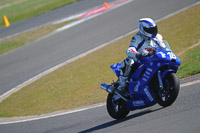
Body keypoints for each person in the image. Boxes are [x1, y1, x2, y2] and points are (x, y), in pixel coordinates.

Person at [117, 18, 167, 91]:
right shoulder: (137, 37)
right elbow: (130, 49)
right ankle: (123, 85)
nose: (153, 31)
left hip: (153, 59)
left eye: (154, 29)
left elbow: (164, 48)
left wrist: (168, 52)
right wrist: (138, 54)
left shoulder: (158, 37)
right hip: (140, 60)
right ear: (142, 29)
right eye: (150, 30)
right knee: (129, 61)